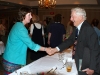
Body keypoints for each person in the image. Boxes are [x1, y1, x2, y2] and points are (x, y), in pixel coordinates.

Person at [49, 7, 100, 75]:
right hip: (80, 59)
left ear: (80, 17)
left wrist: (92, 68)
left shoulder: (88, 29)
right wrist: (55, 49)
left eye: (72, 17)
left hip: (86, 63)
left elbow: (95, 49)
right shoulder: (78, 28)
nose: (70, 19)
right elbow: (70, 40)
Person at [2, 6, 51, 75]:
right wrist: (46, 49)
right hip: (13, 61)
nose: (31, 17)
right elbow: (32, 46)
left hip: (9, 59)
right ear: (23, 16)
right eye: (29, 15)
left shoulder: (17, 25)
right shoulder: (21, 28)